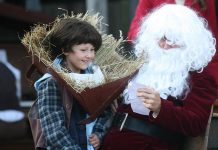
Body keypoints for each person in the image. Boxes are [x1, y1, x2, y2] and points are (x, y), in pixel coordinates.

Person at [100, 4, 218, 150]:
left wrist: (161, 107)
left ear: (189, 41)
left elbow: (196, 124)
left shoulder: (200, 76)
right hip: (112, 141)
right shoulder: (142, 64)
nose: (164, 45)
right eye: (161, 38)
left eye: (171, 39)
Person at [35, 18, 103, 150]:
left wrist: (99, 134)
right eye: (83, 50)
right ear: (65, 50)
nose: (89, 55)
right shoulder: (51, 82)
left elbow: (104, 112)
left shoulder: (94, 77)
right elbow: (54, 132)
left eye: (92, 49)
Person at [127, 0, 218, 45]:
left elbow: (212, 40)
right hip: (159, 64)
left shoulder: (206, 1)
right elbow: (133, 33)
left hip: (194, 67)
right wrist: (156, 39)